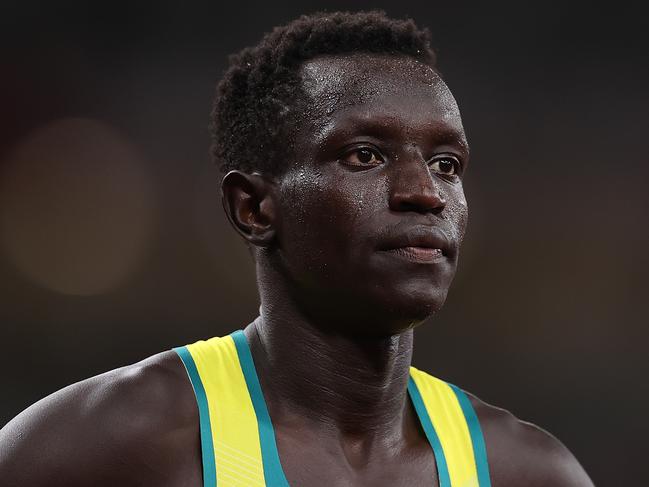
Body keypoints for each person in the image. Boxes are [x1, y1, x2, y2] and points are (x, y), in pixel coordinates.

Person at [0, 10, 594, 487]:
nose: (424, 193)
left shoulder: (527, 470)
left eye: (446, 164)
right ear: (254, 209)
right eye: (365, 155)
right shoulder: (113, 444)